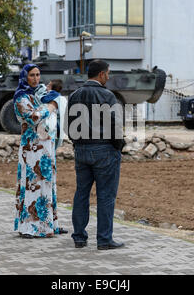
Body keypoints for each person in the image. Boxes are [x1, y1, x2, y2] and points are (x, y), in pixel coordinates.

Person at [67, 60, 125, 250]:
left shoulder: (74, 95)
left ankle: (79, 237)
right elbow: (114, 125)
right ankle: (104, 239)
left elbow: (69, 127)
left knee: (81, 194)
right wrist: (118, 146)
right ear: (101, 74)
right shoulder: (107, 96)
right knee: (106, 196)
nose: (108, 76)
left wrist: (78, 144)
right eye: (107, 73)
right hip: (104, 151)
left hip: (82, 151)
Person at [13, 64, 68, 238]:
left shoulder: (40, 95)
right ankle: (29, 227)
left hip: (45, 146)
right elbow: (33, 117)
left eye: (38, 75)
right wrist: (52, 106)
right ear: (25, 77)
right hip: (31, 147)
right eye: (32, 75)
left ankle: (49, 225)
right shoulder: (21, 97)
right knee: (32, 185)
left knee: (47, 184)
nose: (36, 78)